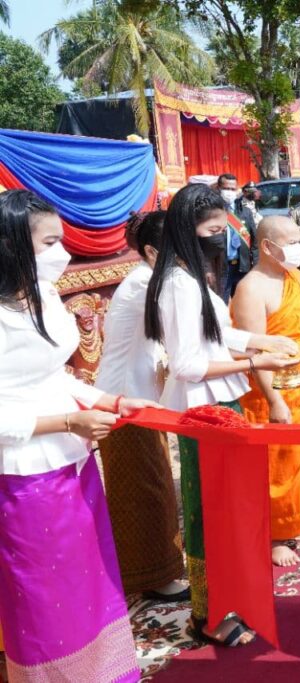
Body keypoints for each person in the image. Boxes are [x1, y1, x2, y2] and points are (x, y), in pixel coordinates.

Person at [0, 190, 153, 682]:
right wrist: (67, 422)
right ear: (11, 245)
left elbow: (50, 376)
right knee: (43, 598)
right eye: (49, 243)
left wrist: (108, 400)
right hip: (23, 477)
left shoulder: (42, 294)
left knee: (87, 580)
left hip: (74, 462)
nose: (62, 253)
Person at [144, 183, 299, 646]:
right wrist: (256, 363)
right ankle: (206, 613)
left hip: (220, 405)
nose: (221, 238)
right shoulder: (177, 284)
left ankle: (227, 598)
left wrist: (260, 341)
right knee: (207, 514)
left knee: (229, 508)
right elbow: (188, 364)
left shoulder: (191, 275)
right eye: (213, 230)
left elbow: (214, 333)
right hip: (202, 410)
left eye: (223, 228)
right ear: (186, 229)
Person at [231, 216, 300, 565]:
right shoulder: (252, 288)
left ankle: (297, 520)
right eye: (291, 242)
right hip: (272, 392)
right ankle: (274, 534)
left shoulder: (297, 277)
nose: (299, 247)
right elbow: (255, 352)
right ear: (267, 246)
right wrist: (274, 400)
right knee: (275, 466)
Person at [95, 212, 187, 601]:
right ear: (152, 251)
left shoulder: (152, 279)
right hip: (124, 401)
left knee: (151, 484)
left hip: (139, 397)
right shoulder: (144, 284)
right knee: (143, 489)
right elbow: (191, 336)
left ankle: (152, 568)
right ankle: (150, 576)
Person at [216, 173, 253, 299]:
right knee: (222, 301)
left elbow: (253, 241)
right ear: (219, 188)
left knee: (242, 301)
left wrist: (255, 264)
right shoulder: (212, 211)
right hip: (221, 266)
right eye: (226, 188)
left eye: (233, 189)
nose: (230, 192)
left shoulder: (245, 212)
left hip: (241, 265)